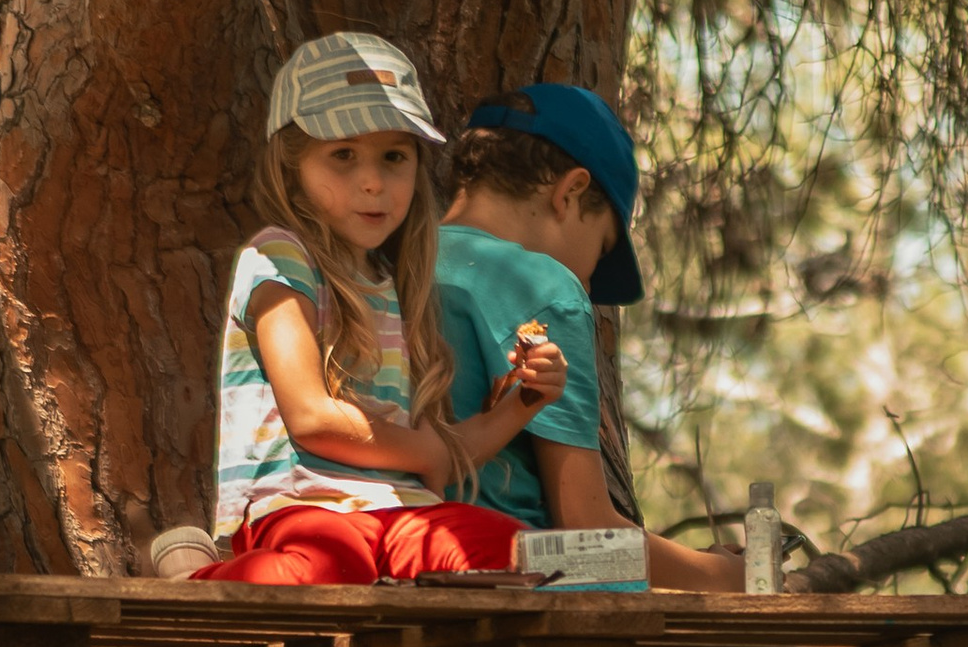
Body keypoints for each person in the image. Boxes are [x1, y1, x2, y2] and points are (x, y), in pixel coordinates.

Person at [195, 34, 566, 587]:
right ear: (291, 164)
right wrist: (426, 450)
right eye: (343, 154)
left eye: (394, 156)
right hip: (302, 508)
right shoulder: (278, 255)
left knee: (533, 556)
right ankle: (192, 578)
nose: (373, 182)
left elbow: (437, 453)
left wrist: (521, 405)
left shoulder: (392, 284)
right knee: (326, 566)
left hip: (403, 512)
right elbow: (313, 418)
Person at [435, 84, 744, 591]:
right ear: (570, 192)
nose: (588, 280)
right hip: (499, 574)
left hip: (402, 550)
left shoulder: (394, 260)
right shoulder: (544, 287)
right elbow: (585, 528)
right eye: (601, 250)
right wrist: (724, 575)